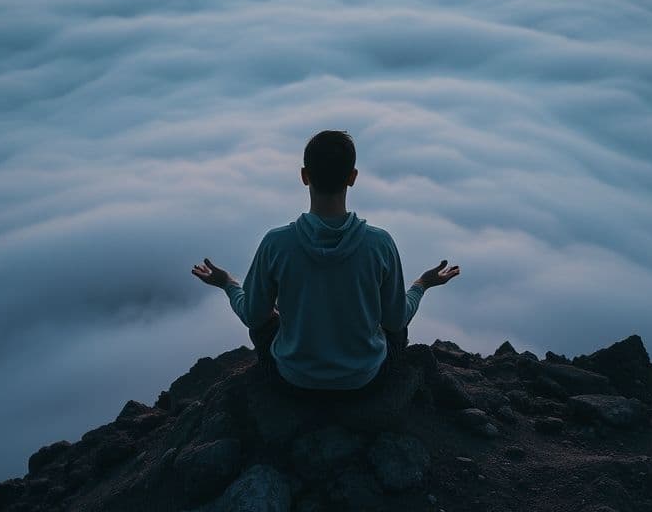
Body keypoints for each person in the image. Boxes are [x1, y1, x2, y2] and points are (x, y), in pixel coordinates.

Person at [191, 129, 460, 399]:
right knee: (396, 330)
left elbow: (253, 316)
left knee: (265, 319)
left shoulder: (277, 244)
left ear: (304, 176)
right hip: (365, 380)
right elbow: (395, 320)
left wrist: (228, 284)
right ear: (353, 177)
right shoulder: (379, 244)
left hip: (293, 380)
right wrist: (421, 285)